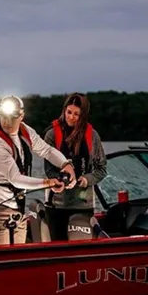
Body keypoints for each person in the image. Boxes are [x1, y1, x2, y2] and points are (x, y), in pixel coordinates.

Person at [0, 95, 76, 246]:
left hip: (18, 209)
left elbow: (47, 151)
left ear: (21, 116)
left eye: (12, 117)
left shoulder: (25, 132)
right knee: (0, 261)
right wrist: (48, 183)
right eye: (3, 116)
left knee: (19, 258)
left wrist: (66, 164)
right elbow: (16, 179)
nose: (7, 121)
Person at [43, 92, 107, 240]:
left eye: (76, 114)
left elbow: (101, 169)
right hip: (57, 205)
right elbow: (49, 169)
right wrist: (61, 179)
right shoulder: (52, 135)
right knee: (58, 247)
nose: (71, 117)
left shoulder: (93, 136)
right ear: (64, 110)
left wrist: (86, 179)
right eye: (69, 112)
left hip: (83, 206)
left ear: (83, 115)